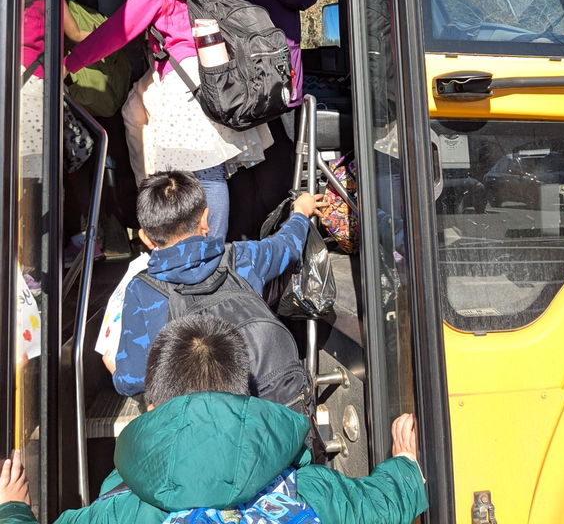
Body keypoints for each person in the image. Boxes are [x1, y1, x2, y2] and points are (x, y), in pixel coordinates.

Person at [0, 315, 428, 524]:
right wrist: (407, 466)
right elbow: (379, 506)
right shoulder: (311, 491)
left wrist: (13, 509)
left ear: (152, 405)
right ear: (244, 397)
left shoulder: (118, 513)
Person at [64, 0, 273, 240]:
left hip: (184, 88)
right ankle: (204, 245)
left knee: (202, 175)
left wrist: (68, 64)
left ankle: (203, 247)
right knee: (209, 174)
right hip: (211, 79)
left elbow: (112, 35)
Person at [193, 0, 328, 239]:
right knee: (231, 163)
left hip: (274, 73)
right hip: (223, 73)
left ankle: (276, 244)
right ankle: (237, 246)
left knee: (275, 165)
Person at [104, 169, 325, 401]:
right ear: (205, 219)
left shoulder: (141, 289)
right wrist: (300, 212)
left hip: (192, 415)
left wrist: (117, 373)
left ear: (145, 238)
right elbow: (287, 246)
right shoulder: (242, 257)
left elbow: (135, 379)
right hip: (258, 397)